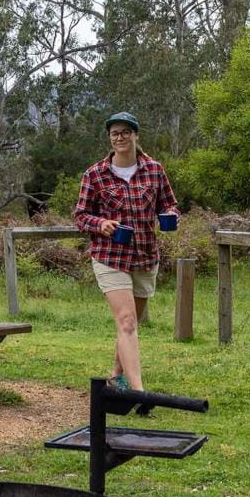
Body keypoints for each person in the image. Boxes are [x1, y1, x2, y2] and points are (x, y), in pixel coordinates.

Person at [72, 112, 180, 394]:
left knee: (131, 325)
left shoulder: (154, 170)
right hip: (110, 257)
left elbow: (170, 204)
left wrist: (169, 215)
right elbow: (81, 216)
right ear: (110, 139)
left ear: (135, 135)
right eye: (114, 133)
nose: (119, 138)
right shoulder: (95, 174)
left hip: (145, 255)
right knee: (127, 321)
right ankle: (139, 393)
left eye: (124, 132)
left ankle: (115, 376)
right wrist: (101, 224)